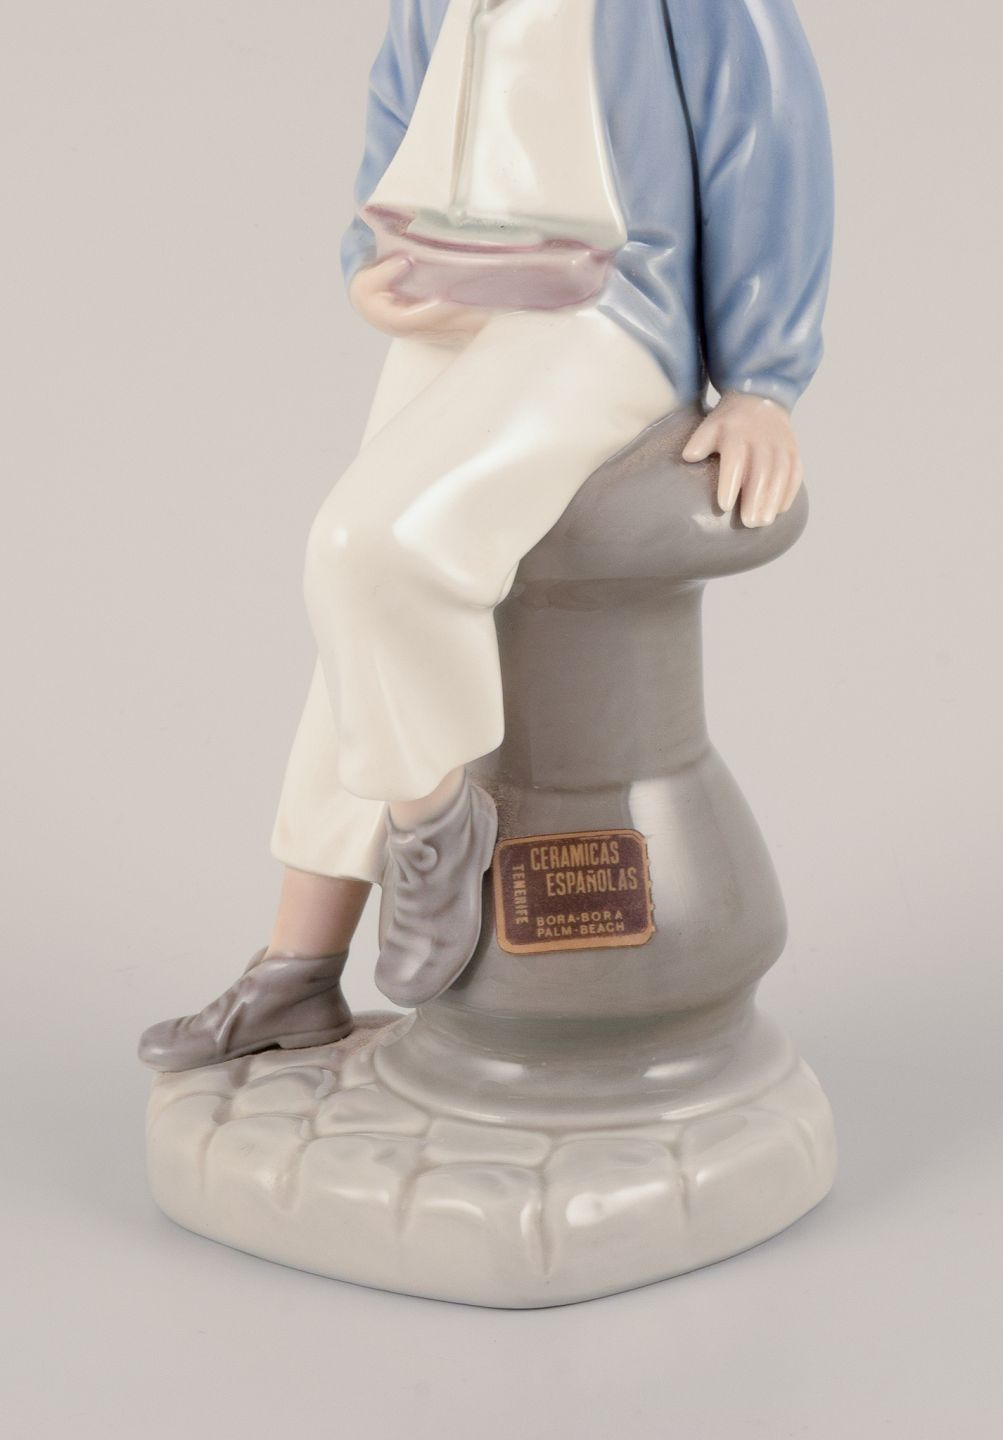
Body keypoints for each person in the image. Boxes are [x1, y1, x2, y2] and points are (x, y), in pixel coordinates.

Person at [139, 0, 833, 1071]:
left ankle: (434, 829)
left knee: (367, 547)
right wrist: (371, 262)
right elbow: (400, 119)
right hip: (456, 299)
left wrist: (760, 379)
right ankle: (297, 965)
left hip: (603, 313)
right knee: (358, 620)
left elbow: (766, 135)